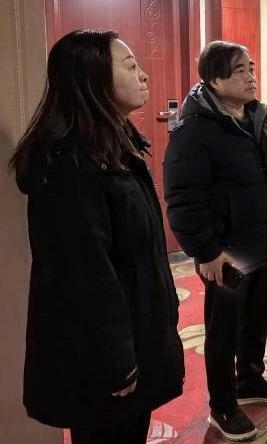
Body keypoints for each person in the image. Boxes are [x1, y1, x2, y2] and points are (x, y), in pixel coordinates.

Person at [10, 29, 184, 444]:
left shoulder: (112, 146)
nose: (144, 75)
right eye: (130, 65)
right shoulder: (69, 165)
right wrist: (117, 361)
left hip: (135, 329)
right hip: (103, 354)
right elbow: (84, 277)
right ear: (92, 78)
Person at [163, 41, 267, 441]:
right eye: (240, 70)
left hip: (262, 237)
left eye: (251, 67)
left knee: (259, 315)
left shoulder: (256, 116)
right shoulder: (195, 127)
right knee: (223, 329)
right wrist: (205, 250)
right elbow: (183, 196)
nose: (251, 77)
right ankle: (222, 405)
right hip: (226, 250)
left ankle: (249, 379)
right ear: (215, 80)